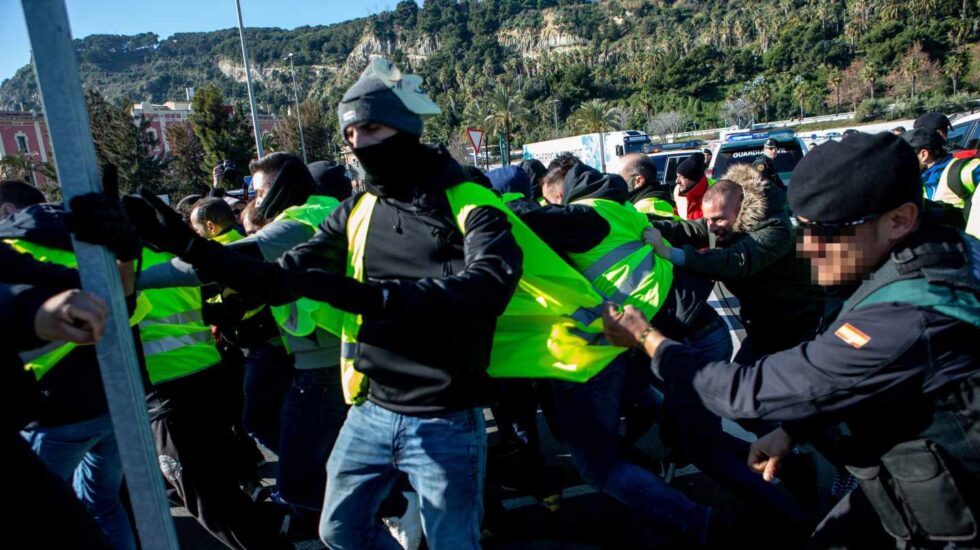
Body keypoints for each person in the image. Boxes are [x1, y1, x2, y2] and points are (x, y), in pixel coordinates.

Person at [87, 58, 523, 549]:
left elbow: (487, 288)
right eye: (351, 134)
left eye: (371, 128)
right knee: (339, 530)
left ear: (406, 128)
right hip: (372, 409)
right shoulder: (358, 209)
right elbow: (276, 277)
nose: (359, 144)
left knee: (453, 543)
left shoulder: (469, 202)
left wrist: (366, 295)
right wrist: (188, 247)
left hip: (446, 413)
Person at [603, 132, 980, 548]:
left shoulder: (907, 314)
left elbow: (745, 392)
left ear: (898, 219)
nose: (809, 246)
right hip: (917, 484)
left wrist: (646, 338)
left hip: (953, 512)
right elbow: (873, 380)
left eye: (827, 229)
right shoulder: (939, 249)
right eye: (805, 226)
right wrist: (792, 429)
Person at [521, 157, 806, 544]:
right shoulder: (618, 208)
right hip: (697, 331)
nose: (553, 209)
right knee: (696, 434)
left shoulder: (584, 218)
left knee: (706, 443)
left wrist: (489, 200)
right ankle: (781, 470)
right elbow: (683, 228)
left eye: (553, 200)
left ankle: (788, 513)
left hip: (760, 329)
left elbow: (737, 261)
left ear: (565, 194)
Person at [2, 198, 141, 550]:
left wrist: (34, 311)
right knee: (103, 505)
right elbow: (116, 301)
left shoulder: (14, 244)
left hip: (57, 414)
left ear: (7, 209)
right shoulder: (77, 244)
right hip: (112, 404)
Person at [645, 164, 824, 361]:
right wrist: (639, 223)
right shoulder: (724, 221)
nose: (711, 228)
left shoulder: (776, 228)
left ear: (741, 207)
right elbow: (688, 230)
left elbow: (735, 261)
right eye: (708, 220)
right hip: (762, 330)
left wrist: (670, 253)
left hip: (797, 330)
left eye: (718, 220)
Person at [3, 281, 113, 549]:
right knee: (102, 503)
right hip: (106, 402)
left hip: (56, 412)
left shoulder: (21, 249)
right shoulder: (83, 264)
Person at [618, 153, 678, 220]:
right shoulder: (662, 199)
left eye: (619, 178)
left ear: (638, 181)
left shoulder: (642, 212)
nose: (615, 182)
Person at [674, 153, 709, 220]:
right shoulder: (678, 192)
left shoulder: (713, 193)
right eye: (677, 176)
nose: (677, 181)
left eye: (681, 177)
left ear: (693, 178)